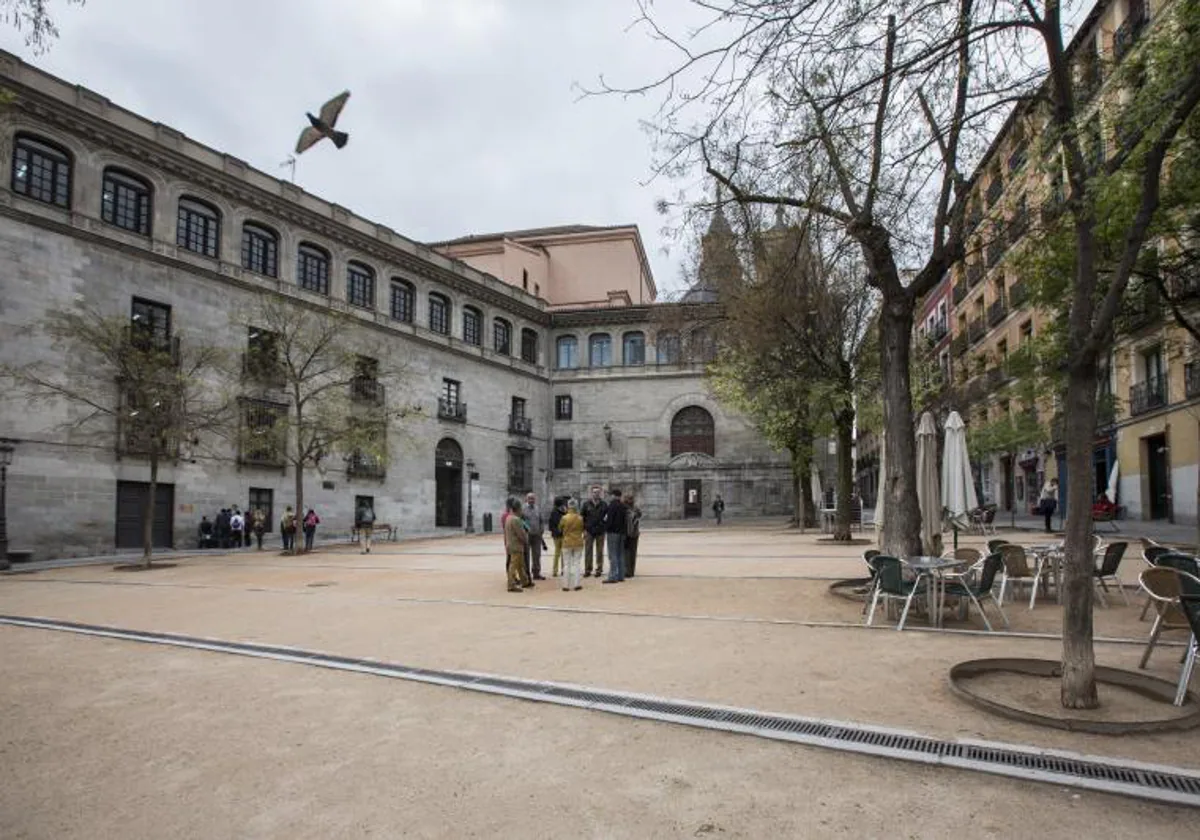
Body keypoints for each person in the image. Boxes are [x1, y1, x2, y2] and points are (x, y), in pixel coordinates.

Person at [581, 485, 607, 578]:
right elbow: (582, 518)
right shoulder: (586, 504)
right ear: (591, 493)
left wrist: (604, 527)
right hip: (589, 531)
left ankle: (599, 569)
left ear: (600, 493)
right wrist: (583, 530)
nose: (596, 494)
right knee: (588, 551)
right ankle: (588, 569)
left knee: (600, 551)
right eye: (594, 492)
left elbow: (607, 517)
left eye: (598, 492)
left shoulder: (604, 504)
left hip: (600, 531)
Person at [504, 497, 530, 593]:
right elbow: (521, 534)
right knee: (514, 565)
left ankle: (524, 581)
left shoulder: (508, 518)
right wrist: (526, 540)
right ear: (518, 509)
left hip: (510, 544)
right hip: (516, 545)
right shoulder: (516, 519)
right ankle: (511, 584)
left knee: (520, 564)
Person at [560, 498, 586, 591]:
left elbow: (560, 528)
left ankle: (565, 585)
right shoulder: (580, 518)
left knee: (566, 564)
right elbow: (583, 529)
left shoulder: (564, 518)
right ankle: (577, 584)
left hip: (567, 542)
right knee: (577, 563)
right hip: (578, 541)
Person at [603, 488, 627, 584]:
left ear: (614, 495)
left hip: (613, 532)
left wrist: (605, 528)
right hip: (621, 532)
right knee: (620, 554)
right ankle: (621, 575)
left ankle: (613, 576)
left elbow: (609, 520)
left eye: (611, 495)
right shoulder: (623, 506)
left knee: (612, 554)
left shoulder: (612, 505)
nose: (610, 496)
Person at [523, 492, 546, 581]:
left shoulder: (537, 508)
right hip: (527, 535)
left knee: (537, 555)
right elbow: (521, 521)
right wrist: (527, 529)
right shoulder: (523, 509)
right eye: (530, 498)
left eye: (533, 498)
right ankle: (526, 573)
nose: (531, 500)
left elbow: (541, 520)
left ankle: (536, 573)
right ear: (527, 499)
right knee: (526, 555)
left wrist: (541, 530)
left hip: (537, 536)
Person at [547, 496, 567, 577]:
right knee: (561, 553)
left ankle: (556, 571)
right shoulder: (562, 511)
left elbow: (550, 525)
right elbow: (552, 524)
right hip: (560, 535)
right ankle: (560, 570)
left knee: (558, 553)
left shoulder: (554, 511)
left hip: (558, 535)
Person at [624, 494, 642, 578]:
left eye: (631, 499)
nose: (630, 500)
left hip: (634, 534)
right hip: (625, 534)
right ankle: (626, 570)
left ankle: (631, 571)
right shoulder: (623, 508)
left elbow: (639, 516)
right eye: (628, 499)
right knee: (625, 553)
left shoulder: (636, 508)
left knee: (632, 553)